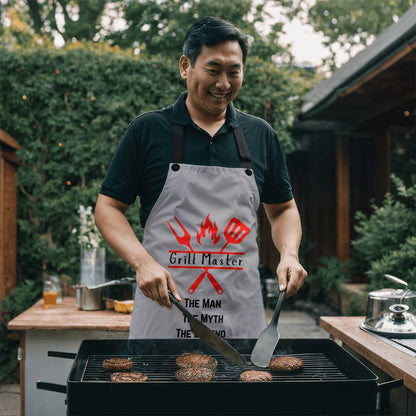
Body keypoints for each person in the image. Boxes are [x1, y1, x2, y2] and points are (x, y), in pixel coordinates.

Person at [95, 16, 307, 339]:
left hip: (239, 324)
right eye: (213, 70)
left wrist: (289, 253)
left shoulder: (260, 136)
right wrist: (142, 263)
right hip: (165, 317)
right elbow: (107, 208)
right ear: (185, 66)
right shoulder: (148, 131)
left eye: (234, 72)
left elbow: (283, 210)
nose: (224, 83)